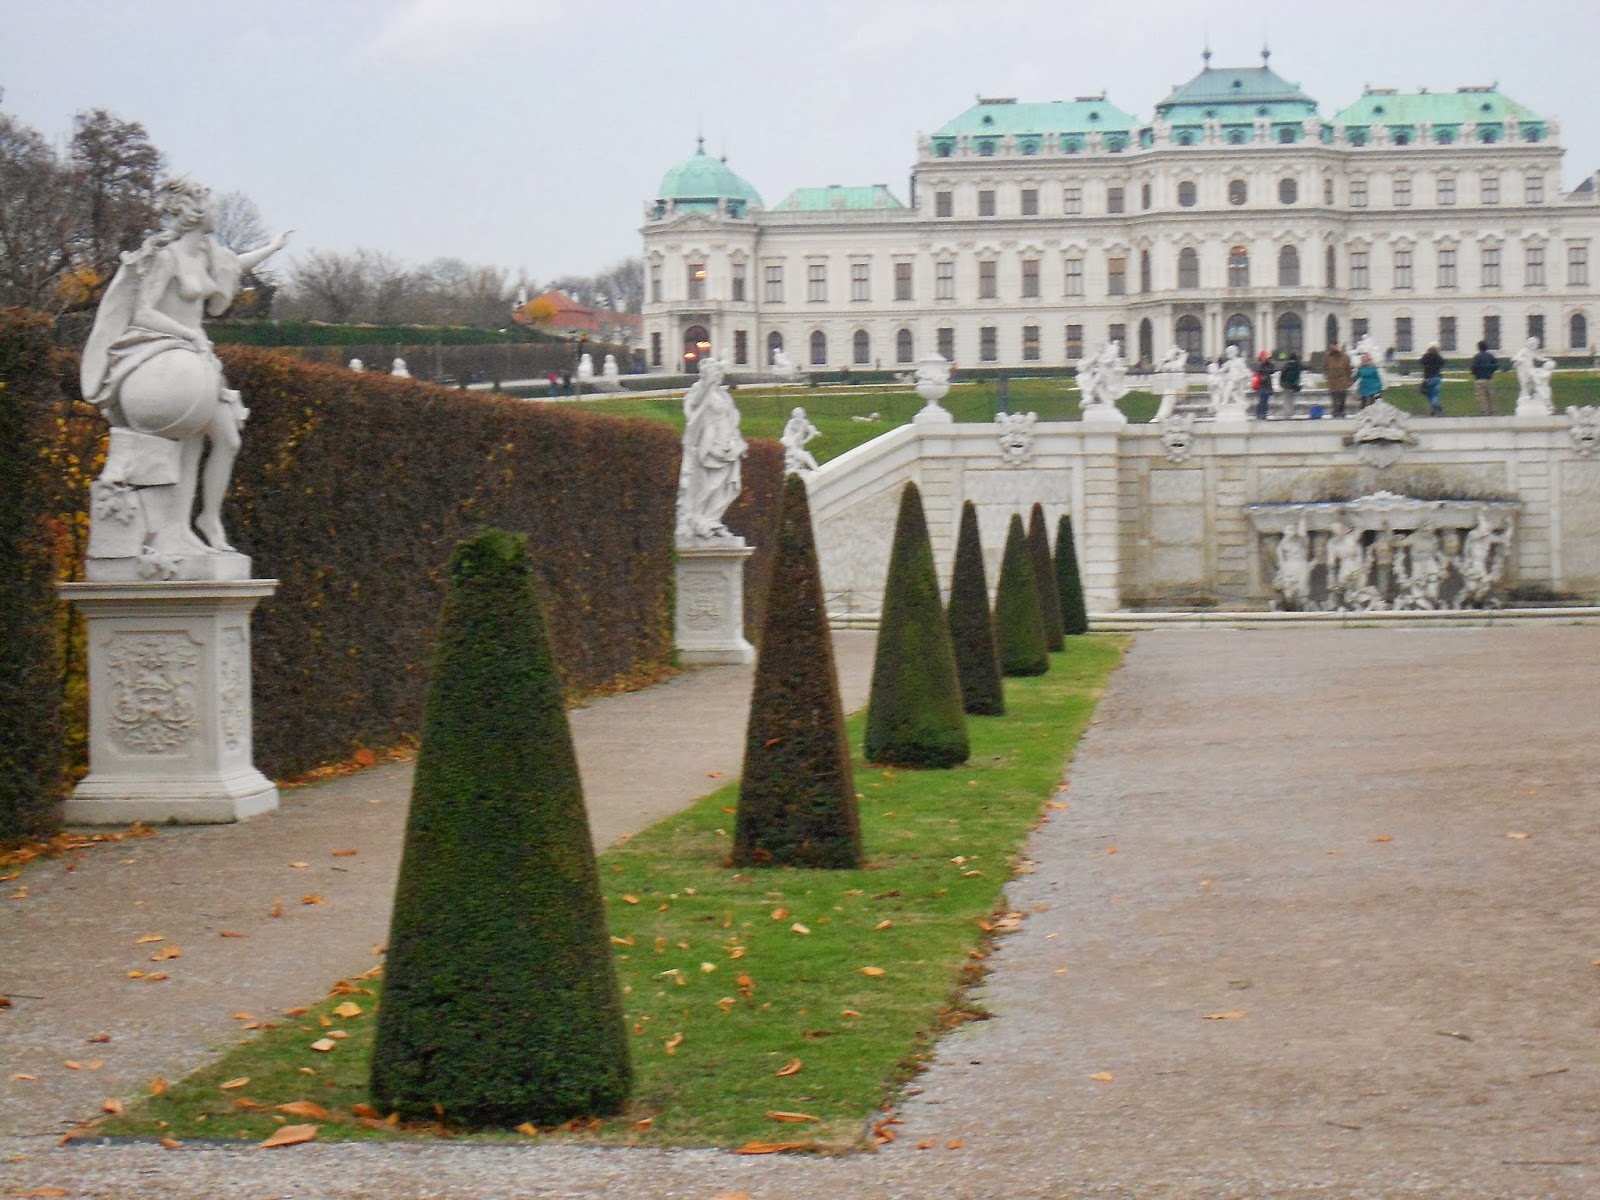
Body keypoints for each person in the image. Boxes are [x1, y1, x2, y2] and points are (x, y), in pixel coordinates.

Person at [81, 177, 290, 555]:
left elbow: (235, 266)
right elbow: (143, 312)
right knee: (190, 443)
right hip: (166, 352)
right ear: (194, 212)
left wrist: (272, 248)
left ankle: (207, 518)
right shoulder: (166, 256)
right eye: (209, 204)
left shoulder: (209, 254)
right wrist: (187, 335)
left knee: (228, 440)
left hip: (196, 360)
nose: (214, 211)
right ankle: (176, 530)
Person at [1323, 342, 1353, 418]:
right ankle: (1335, 411)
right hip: (1332, 381)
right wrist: (1327, 375)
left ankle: (1341, 410)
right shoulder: (1327, 357)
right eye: (1333, 346)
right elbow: (1324, 367)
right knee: (1334, 397)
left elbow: (1348, 369)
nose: (1334, 348)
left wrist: (1348, 379)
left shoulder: (1345, 357)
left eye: (1335, 346)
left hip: (1342, 380)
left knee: (1342, 396)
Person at [1470, 340, 1498, 415]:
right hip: (1489, 378)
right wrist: (1491, 372)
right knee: (1490, 396)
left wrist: (1475, 374)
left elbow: (1473, 368)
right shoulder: (1490, 356)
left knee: (1481, 397)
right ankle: (1492, 411)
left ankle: (1484, 412)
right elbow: (1495, 366)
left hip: (1479, 378)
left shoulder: (1477, 357)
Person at [1419, 342, 1446, 415]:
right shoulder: (1438, 357)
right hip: (1437, 378)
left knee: (1429, 394)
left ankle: (1436, 408)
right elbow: (1443, 363)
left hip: (1428, 378)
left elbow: (1421, 362)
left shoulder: (1426, 356)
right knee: (1434, 394)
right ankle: (1435, 408)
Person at [1279, 351, 1303, 417]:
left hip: (1286, 385)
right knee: (1291, 400)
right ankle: (1291, 412)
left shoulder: (1286, 366)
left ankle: (1287, 412)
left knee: (1286, 399)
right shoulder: (1297, 366)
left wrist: (1282, 383)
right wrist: (1296, 385)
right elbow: (1297, 377)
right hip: (1293, 386)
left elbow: (1282, 375)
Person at [1253, 349, 1274, 420]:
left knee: (1264, 401)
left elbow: (1271, 371)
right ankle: (1260, 414)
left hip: (1265, 386)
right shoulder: (1261, 365)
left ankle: (1262, 414)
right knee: (1262, 401)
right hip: (1262, 386)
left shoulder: (1268, 365)